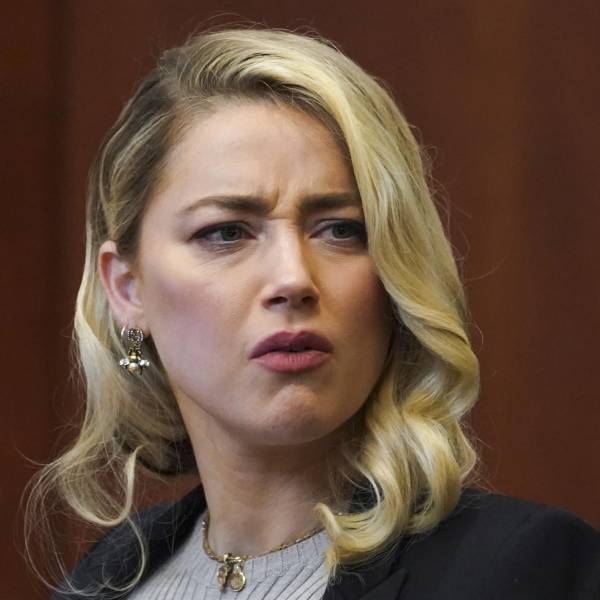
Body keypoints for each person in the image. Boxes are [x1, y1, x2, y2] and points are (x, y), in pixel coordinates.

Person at [26, 26, 599, 600]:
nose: (294, 279)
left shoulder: (526, 567)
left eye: (341, 230)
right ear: (127, 290)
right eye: (226, 232)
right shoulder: (101, 581)